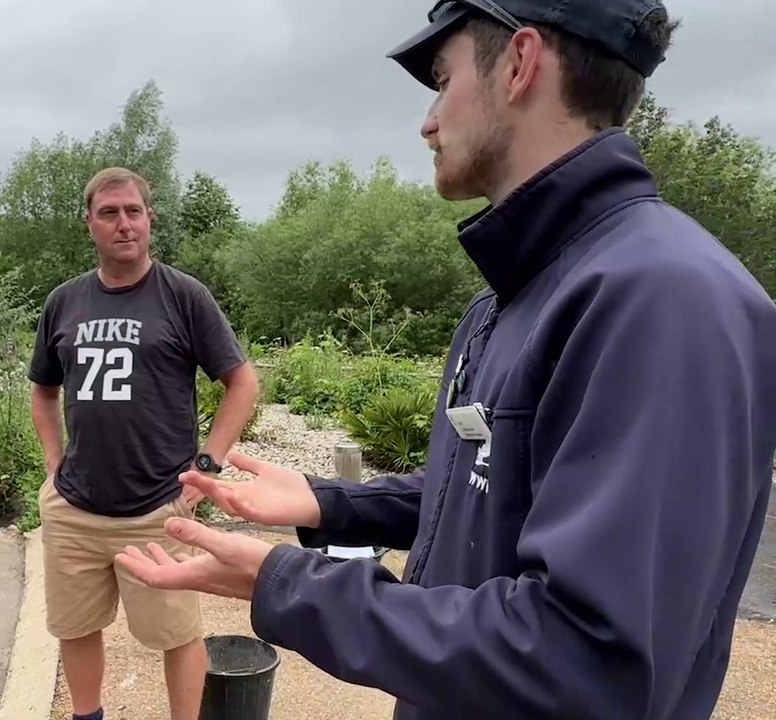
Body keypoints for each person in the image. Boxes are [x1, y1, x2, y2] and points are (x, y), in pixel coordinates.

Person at [115, 1, 776, 718]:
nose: (428, 120)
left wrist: (286, 583)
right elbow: (487, 495)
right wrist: (330, 502)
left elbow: (585, 660)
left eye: (442, 78)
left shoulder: (663, 300)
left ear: (520, 63)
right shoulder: (509, 301)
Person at [28, 166, 260, 720]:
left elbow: (241, 382)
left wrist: (208, 466)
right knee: (76, 627)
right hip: (75, 509)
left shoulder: (184, 296)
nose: (123, 223)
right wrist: (54, 465)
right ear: (89, 224)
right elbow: (42, 391)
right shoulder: (64, 302)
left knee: (177, 634)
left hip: (159, 507)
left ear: (149, 219)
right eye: (109, 213)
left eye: (133, 211)